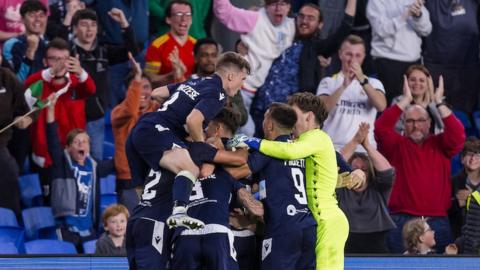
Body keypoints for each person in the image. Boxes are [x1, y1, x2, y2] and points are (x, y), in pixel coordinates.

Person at [126, 51, 250, 230]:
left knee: (144, 188)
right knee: (190, 168)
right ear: (231, 76)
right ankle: (179, 214)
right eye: (243, 79)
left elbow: (156, 93)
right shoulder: (218, 94)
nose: (242, 85)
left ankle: (143, 222)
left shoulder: (196, 81)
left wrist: (176, 112)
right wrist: (201, 145)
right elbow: (194, 120)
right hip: (158, 130)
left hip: (143, 128)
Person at [242, 92, 349, 270]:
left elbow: (290, 152)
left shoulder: (317, 137)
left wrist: (249, 140)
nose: (290, 120)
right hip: (314, 224)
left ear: (309, 117)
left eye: (294, 114)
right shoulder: (305, 142)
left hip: (327, 221)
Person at [374, 75, 465, 253]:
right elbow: (380, 128)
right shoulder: (396, 146)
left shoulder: (441, 144)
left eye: (421, 121)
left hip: (436, 221)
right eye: (410, 121)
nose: (416, 126)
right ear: (403, 124)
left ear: (430, 123)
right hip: (401, 219)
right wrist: (405, 100)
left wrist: (439, 102)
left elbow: (458, 134)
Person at [228, 102, 317, 270]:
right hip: (309, 228)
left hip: (282, 230)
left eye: (264, 118)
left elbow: (236, 173)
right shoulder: (304, 150)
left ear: (269, 124)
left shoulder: (269, 149)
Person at [251, 1, 356, 137]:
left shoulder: (316, 47)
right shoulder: (280, 34)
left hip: (287, 117)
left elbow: (344, 29)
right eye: (301, 16)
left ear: (320, 24)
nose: (304, 21)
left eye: (311, 18)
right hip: (258, 108)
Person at [213, 0, 296, 136]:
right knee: (246, 130)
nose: (278, 8)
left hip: (255, 92)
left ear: (289, 7)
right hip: (236, 87)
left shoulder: (291, 26)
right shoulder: (255, 18)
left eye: (282, 4)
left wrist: (323, 56)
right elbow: (224, 12)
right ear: (266, 6)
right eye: (273, 3)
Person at [45, 93, 114, 252]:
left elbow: (117, 162)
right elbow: (52, 140)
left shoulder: (95, 166)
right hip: (66, 229)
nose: (81, 144)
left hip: (89, 230)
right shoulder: (61, 165)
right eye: (76, 142)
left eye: (85, 142)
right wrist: (50, 109)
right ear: (68, 148)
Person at [70, 7, 138, 161]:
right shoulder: (68, 51)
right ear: (75, 28)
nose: (89, 29)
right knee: (71, 163)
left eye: (93, 25)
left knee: (95, 162)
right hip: (72, 117)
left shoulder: (104, 51)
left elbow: (132, 50)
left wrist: (124, 24)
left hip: (96, 118)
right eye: (84, 24)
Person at [24, 38, 96, 169]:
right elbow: (27, 88)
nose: (60, 64)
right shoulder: (39, 83)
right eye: (54, 59)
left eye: (64, 59)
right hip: (45, 156)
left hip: (74, 154)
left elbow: (90, 89)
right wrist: (50, 72)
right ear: (45, 61)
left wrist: (80, 72)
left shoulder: (76, 83)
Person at [317, 35, 386, 152]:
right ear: (340, 54)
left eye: (358, 55)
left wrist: (362, 80)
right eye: (349, 54)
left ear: (364, 56)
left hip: (363, 150)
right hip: (332, 148)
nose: (353, 59)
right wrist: (343, 86)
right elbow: (320, 111)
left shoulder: (374, 83)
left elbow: (381, 106)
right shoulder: (328, 82)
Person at [338, 122, 396, 253]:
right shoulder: (340, 188)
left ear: (370, 173)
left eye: (364, 170)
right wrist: (355, 141)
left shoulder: (378, 189)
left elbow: (388, 171)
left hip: (377, 241)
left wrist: (367, 146)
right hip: (345, 240)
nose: (359, 173)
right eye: (355, 169)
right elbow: (334, 166)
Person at [111, 53, 158, 213]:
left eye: (146, 87)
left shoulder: (157, 109)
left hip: (154, 176)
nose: (142, 92)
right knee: (132, 225)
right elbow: (131, 111)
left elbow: (179, 110)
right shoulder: (118, 112)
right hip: (129, 178)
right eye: (138, 87)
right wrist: (137, 77)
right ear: (130, 90)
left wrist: (178, 76)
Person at [367, 0, 432, 104]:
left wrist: (418, 16)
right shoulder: (376, 2)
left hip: (413, 61)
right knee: (390, 107)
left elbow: (426, 30)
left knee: (414, 107)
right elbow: (381, 30)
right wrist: (405, 16)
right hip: (387, 62)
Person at [423, 0, 480, 114]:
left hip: (468, 68)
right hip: (437, 68)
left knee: (466, 117)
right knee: (438, 114)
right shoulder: (426, 2)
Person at [0, 51, 31, 219]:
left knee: (10, 171)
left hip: (1, 144)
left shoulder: (7, 78)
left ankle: (11, 221)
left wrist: (25, 118)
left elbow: (27, 106)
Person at [192, 38, 248, 128]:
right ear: (195, 58)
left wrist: (228, 105)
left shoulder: (229, 81)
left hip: (223, 133)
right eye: (204, 55)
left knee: (248, 129)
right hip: (194, 131)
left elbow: (243, 118)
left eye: (213, 55)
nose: (210, 59)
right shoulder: (189, 83)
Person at [145, 0, 196, 85]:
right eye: (178, 14)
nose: (183, 19)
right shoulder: (157, 46)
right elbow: (149, 79)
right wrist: (172, 75)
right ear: (168, 19)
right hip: (167, 96)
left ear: (191, 20)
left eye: (188, 15)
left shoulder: (197, 46)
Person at [3, 0, 48, 81]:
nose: (37, 19)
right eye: (32, 15)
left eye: (41, 16)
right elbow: (14, 81)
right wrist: (30, 51)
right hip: (22, 92)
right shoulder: (11, 44)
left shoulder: (47, 45)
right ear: (22, 19)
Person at [391, 65, 443, 134]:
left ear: (428, 85)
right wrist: (419, 108)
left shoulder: (438, 102)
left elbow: (444, 126)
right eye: (412, 80)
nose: (417, 83)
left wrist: (432, 101)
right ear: (406, 82)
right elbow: (396, 130)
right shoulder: (398, 101)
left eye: (422, 80)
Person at [450, 137, 480, 239]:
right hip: (459, 235)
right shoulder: (453, 182)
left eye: (477, 155)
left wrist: (471, 199)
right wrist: (456, 203)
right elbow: (445, 209)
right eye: (469, 155)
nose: (473, 159)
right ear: (462, 159)